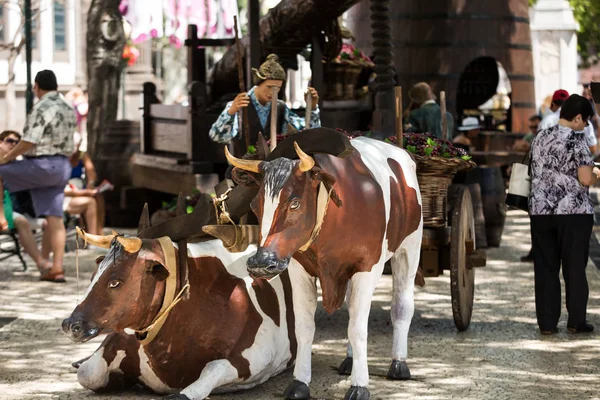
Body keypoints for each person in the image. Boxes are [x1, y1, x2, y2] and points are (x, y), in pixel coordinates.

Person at [529, 94, 598, 335]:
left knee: (546, 266)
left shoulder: (540, 137)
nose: (586, 126)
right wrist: (597, 174)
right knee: (574, 266)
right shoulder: (577, 141)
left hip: (540, 210)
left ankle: (547, 323)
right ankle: (576, 321)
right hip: (573, 211)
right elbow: (585, 178)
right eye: (586, 121)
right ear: (578, 117)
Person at [0, 70, 75, 283]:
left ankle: (0, 215)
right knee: (55, 219)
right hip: (62, 166)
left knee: (0, 169)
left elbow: (29, 141)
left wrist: (7, 158)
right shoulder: (68, 106)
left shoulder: (42, 107)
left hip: (43, 166)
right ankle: (56, 268)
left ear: (36, 87)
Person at [209, 54, 321, 145]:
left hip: (274, 169)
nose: (273, 92)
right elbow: (217, 136)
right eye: (269, 87)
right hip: (242, 169)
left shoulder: (280, 107)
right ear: (258, 83)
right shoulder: (239, 105)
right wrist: (230, 113)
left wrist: (312, 108)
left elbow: (307, 132)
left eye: (277, 88)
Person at [0, 130, 50, 272]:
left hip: (20, 209)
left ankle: (44, 262)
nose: (14, 145)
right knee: (21, 221)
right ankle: (41, 263)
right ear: (0, 142)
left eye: (17, 142)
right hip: (5, 211)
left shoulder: (20, 166)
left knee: (51, 221)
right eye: (10, 141)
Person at [540, 89, 597, 155]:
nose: (584, 126)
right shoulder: (583, 124)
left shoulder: (546, 122)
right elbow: (593, 149)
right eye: (585, 123)